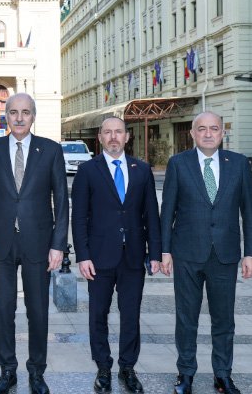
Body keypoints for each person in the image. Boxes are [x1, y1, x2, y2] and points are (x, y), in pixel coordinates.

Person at [159, 111, 252, 394]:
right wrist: (164, 250)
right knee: (186, 318)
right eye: (201, 129)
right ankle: (186, 373)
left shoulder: (238, 164)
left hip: (225, 255)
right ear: (192, 133)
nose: (207, 134)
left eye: (213, 129)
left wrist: (251, 252)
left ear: (222, 133)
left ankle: (222, 375)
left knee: (224, 319)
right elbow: (167, 211)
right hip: (187, 253)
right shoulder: (178, 164)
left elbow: (249, 212)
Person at [0, 93, 68, 394]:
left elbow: (62, 202)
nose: (18, 118)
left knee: (38, 310)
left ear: (33, 116)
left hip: (38, 242)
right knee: (3, 309)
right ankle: (7, 370)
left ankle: (37, 372)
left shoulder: (51, 150)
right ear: (5, 116)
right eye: (13, 112)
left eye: (25, 112)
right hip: (0, 243)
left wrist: (58, 245)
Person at [72, 117, 161, 394]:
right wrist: (82, 255)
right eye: (108, 132)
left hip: (133, 256)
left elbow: (151, 215)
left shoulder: (142, 170)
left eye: (118, 132)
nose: (113, 137)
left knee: (130, 314)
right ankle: (103, 367)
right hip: (98, 258)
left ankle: (127, 367)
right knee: (98, 314)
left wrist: (155, 253)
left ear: (127, 137)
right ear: (99, 137)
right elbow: (79, 218)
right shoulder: (87, 170)